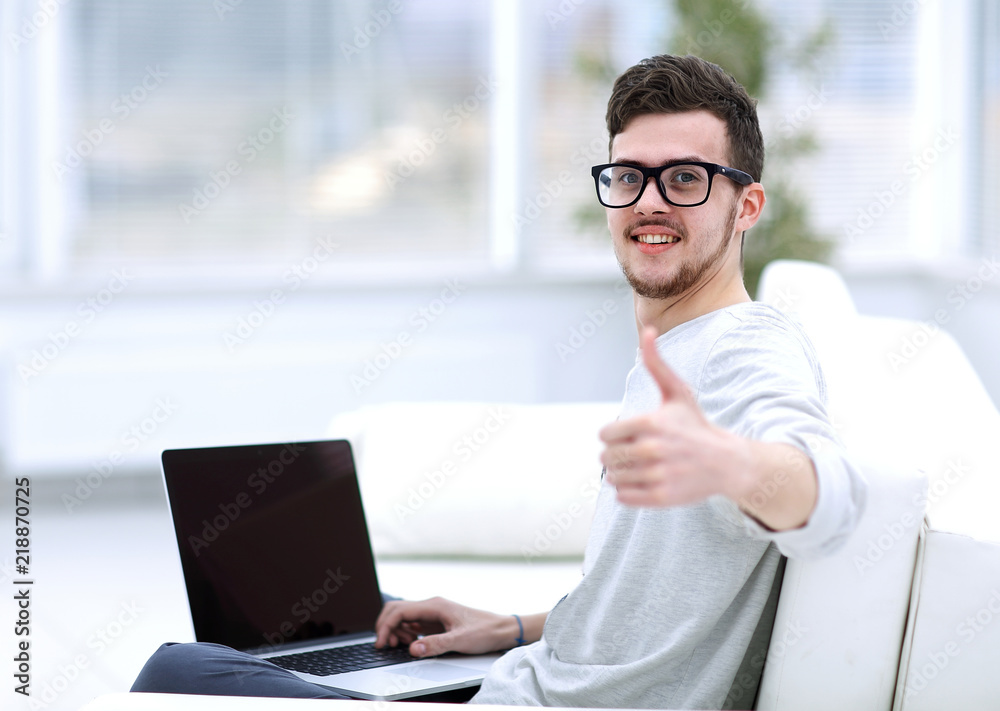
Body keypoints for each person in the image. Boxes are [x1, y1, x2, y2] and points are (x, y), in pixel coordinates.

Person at [132, 54, 866, 709]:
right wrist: (504, 627)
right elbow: (638, 610)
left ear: (747, 206)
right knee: (332, 617)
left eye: (685, 178)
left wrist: (727, 460)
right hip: (522, 673)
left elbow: (832, 495)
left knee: (178, 666)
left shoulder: (746, 345)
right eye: (628, 176)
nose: (648, 201)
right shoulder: (677, 348)